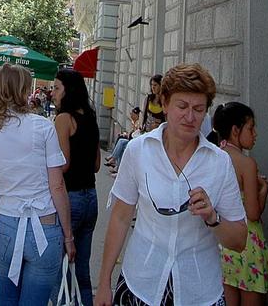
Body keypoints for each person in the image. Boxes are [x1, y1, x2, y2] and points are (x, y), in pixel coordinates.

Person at [94, 63, 247, 306]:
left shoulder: (219, 163)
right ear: (165, 104)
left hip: (198, 291)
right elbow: (121, 218)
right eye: (182, 106)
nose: (190, 117)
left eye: (198, 109)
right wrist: (103, 283)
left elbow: (239, 241)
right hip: (141, 282)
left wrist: (212, 216)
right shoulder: (138, 151)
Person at [0, 63, 74, 306]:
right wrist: (69, 235)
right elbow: (57, 186)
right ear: (22, 90)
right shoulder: (42, 127)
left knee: (6, 301)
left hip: (7, 222)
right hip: (45, 223)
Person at [210, 102, 268, 304]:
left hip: (222, 240)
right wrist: (263, 190)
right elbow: (253, 213)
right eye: (251, 127)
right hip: (247, 243)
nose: (255, 133)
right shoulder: (246, 164)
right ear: (235, 130)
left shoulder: (215, 156)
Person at [52, 68, 100, 306]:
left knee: (59, 269)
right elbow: (97, 164)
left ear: (68, 90)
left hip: (70, 199)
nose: (53, 93)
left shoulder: (64, 119)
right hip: (91, 197)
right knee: (82, 269)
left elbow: (63, 164)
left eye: (57, 88)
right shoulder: (90, 116)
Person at [105, 107, 142, 172]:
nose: (131, 115)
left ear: (136, 115)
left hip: (133, 142)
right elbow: (131, 132)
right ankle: (115, 162)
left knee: (121, 142)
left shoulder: (138, 123)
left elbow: (134, 134)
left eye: (132, 114)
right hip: (131, 140)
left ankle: (113, 159)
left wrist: (126, 135)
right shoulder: (134, 122)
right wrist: (125, 134)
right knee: (121, 140)